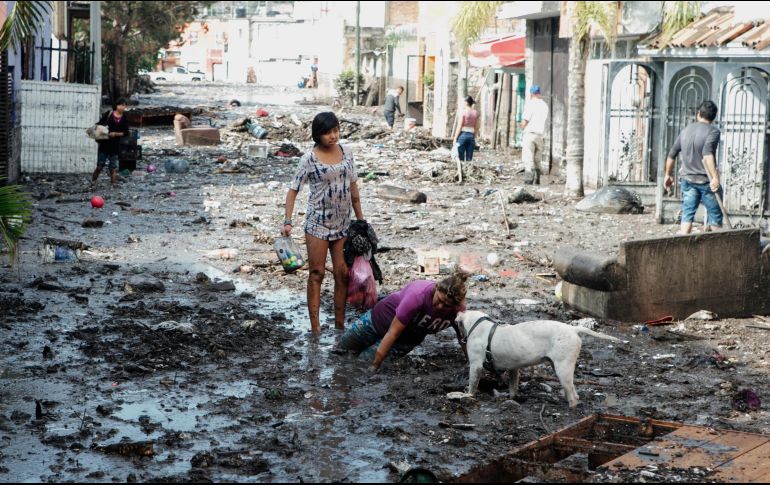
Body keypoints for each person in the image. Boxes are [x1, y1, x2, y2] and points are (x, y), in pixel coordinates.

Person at [282, 112, 365, 334]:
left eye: (336, 130)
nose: (333, 136)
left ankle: (340, 325)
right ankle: (315, 328)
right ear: (317, 135)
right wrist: (288, 221)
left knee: (342, 274)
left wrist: (361, 220)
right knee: (317, 273)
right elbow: (293, 191)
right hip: (317, 224)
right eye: (328, 132)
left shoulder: (347, 153)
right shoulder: (309, 159)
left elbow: (354, 189)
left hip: (343, 224)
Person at [338, 272, 469, 371]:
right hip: (375, 321)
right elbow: (392, 332)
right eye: (439, 300)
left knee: (362, 365)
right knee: (340, 351)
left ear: (455, 306)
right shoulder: (418, 296)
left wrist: (471, 363)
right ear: (436, 288)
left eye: (446, 305)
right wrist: (376, 364)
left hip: (403, 342)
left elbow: (464, 338)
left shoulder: (459, 313)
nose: (440, 307)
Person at [664, 100, 722, 235]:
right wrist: (715, 178)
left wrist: (668, 174)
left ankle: (682, 247)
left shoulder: (686, 130)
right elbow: (707, 154)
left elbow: (671, 154)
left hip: (688, 180)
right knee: (715, 216)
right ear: (714, 117)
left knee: (687, 214)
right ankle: (719, 250)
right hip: (705, 181)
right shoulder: (713, 131)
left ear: (698, 114)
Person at [91, 98, 129, 188]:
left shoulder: (124, 118)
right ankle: (93, 182)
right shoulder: (108, 114)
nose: (123, 107)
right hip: (104, 145)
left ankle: (113, 185)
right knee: (99, 166)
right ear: (117, 105)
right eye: (121, 105)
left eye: (124, 105)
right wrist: (97, 131)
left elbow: (126, 133)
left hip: (115, 146)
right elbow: (99, 124)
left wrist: (115, 134)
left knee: (112, 168)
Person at [520, 85, 549, 185]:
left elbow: (524, 122)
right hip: (540, 135)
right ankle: (537, 180)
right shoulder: (544, 105)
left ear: (531, 93)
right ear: (539, 93)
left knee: (529, 158)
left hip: (530, 134)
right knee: (537, 159)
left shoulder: (530, 104)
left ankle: (529, 180)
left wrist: (523, 127)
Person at [452, 96, 480, 161]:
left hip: (463, 135)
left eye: (463, 102)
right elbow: (477, 126)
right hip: (471, 136)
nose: (462, 103)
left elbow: (459, 126)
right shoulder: (476, 113)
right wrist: (474, 136)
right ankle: (468, 170)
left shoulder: (463, 112)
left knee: (460, 158)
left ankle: (461, 170)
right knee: (469, 159)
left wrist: (455, 138)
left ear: (466, 103)